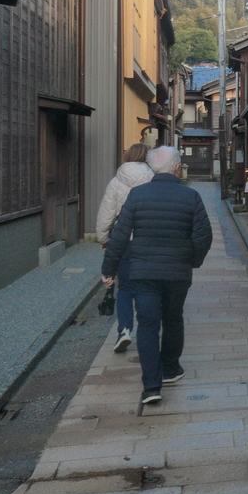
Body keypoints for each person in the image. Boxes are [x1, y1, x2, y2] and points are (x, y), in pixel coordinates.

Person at [101, 146, 212, 405]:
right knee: (173, 318)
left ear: (152, 168)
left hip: (143, 271)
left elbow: (119, 235)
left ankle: (151, 386)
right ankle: (170, 369)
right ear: (177, 168)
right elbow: (203, 236)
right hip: (177, 271)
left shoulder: (137, 195)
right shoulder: (191, 197)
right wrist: (192, 260)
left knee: (148, 324)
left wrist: (109, 269)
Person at [95, 143, 154, 354]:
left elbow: (107, 212)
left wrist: (103, 238)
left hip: (124, 241)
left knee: (125, 288)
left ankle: (125, 329)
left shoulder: (116, 181)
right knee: (147, 286)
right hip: (148, 241)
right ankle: (149, 327)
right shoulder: (153, 178)